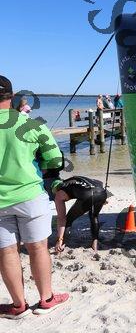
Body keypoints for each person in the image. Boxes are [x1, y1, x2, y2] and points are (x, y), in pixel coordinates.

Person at [0, 76, 69, 318]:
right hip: (30, 195)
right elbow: (55, 160)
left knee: (6, 252)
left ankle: (18, 306)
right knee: (38, 248)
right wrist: (39, 163)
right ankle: (46, 299)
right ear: (12, 96)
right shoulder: (31, 124)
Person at [46, 176, 108, 254]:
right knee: (94, 216)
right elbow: (98, 182)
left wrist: (59, 239)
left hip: (88, 195)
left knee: (68, 219)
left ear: (56, 189)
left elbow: (61, 218)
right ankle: (95, 244)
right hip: (102, 193)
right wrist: (100, 198)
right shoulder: (72, 181)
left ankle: (62, 245)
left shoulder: (60, 191)